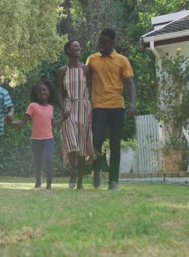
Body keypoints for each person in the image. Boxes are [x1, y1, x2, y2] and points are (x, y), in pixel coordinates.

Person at [86, 28, 136, 190]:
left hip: (116, 107)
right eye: (99, 42)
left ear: (112, 43)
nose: (100, 45)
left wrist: (132, 103)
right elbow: (86, 80)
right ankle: (97, 169)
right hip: (99, 106)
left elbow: (129, 84)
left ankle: (113, 181)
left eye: (104, 42)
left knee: (115, 143)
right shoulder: (92, 59)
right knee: (97, 140)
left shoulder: (122, 60)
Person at [57, 39, 96, 190]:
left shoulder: (86, 69)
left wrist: (93, 110)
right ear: (67, 51)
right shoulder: (62, 71)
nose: (79, 48)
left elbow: (92, 90)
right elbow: (59, 93)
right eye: (75, 46)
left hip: (84, 107)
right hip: (69, 108)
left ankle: (79, 180)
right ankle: (72, 171)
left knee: (81, 145)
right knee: (71, 142)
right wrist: (63, 107)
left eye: (80, 46)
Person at [11, 80, 63, 190]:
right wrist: (11, 122)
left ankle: (49, 185)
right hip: (36, 140)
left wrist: (63, 118)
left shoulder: (51, 107)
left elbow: (53, 123)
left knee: (49, 160)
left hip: (49, 139)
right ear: (36, 94)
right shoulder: (32, 106)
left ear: (49, 92)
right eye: (39, 91)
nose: (42, 92)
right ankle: (38, 183)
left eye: (44, 90)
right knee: (38, 162)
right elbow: (23, 121)